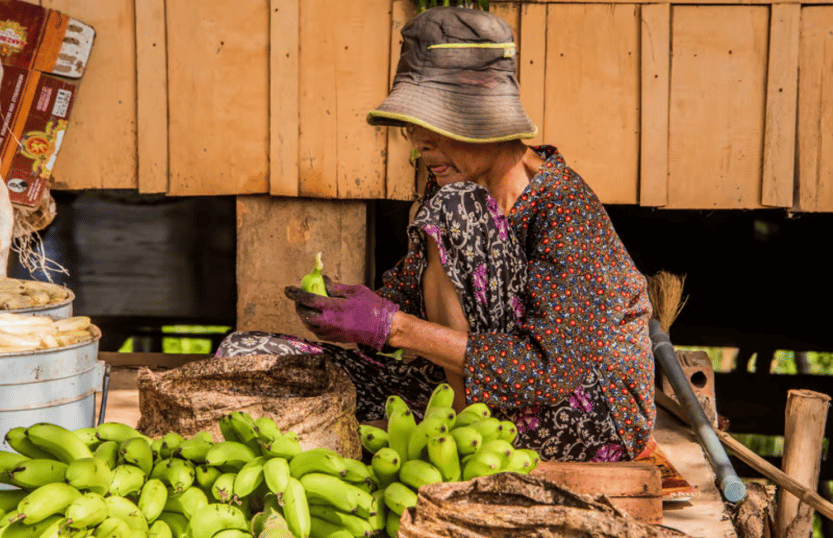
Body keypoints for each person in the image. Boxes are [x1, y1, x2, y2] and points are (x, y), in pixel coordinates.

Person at [218, 6, 655, 463]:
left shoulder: (563, 207)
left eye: (432, 125)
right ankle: (409, 434)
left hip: (582, 410)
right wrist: (357, 315)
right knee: (244, 357)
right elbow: (412, 297)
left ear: (486, 117)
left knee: (455, 207)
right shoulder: (447, 182)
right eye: (414, 126)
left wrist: (395, 327)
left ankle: (444, 440)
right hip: (460, 384)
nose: (418, 142)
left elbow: (547, 372)